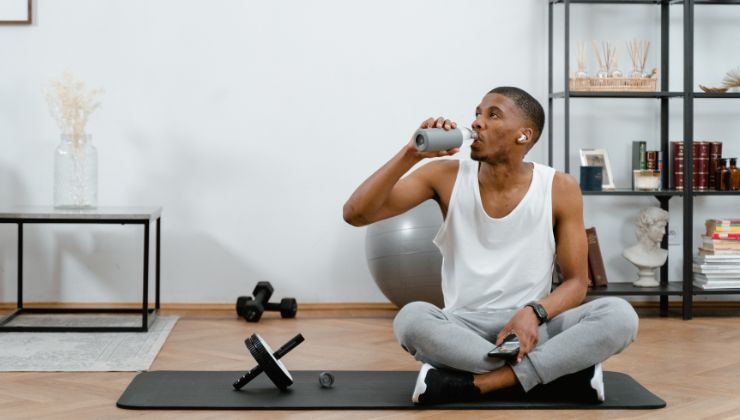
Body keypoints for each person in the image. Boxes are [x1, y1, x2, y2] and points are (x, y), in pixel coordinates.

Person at [343, 87, 639, 405]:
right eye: (477, 114)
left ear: (523, 136)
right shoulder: (444, 176)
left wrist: (534, 313)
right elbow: (356, 214)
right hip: (463, 327)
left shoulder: (559, 187)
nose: (478, 123)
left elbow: (577, 283)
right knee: (410, 320)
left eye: (492, 114)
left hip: (534, 326)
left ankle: (478, 383)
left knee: (620, 316)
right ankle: (552, 374)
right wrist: (411, 154)